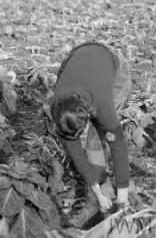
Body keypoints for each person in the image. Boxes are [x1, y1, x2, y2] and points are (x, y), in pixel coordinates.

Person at [51, 42, 131, 227]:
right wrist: (98, 192)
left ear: (87, 114)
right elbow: (75, 151)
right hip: (78, 55)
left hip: (113, 70)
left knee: (97, 135)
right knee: (80, 148)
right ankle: (95, 193)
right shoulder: (60, 107)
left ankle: (98, 191)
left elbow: (119, 146)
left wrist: (122, 198)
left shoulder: (102, 105)